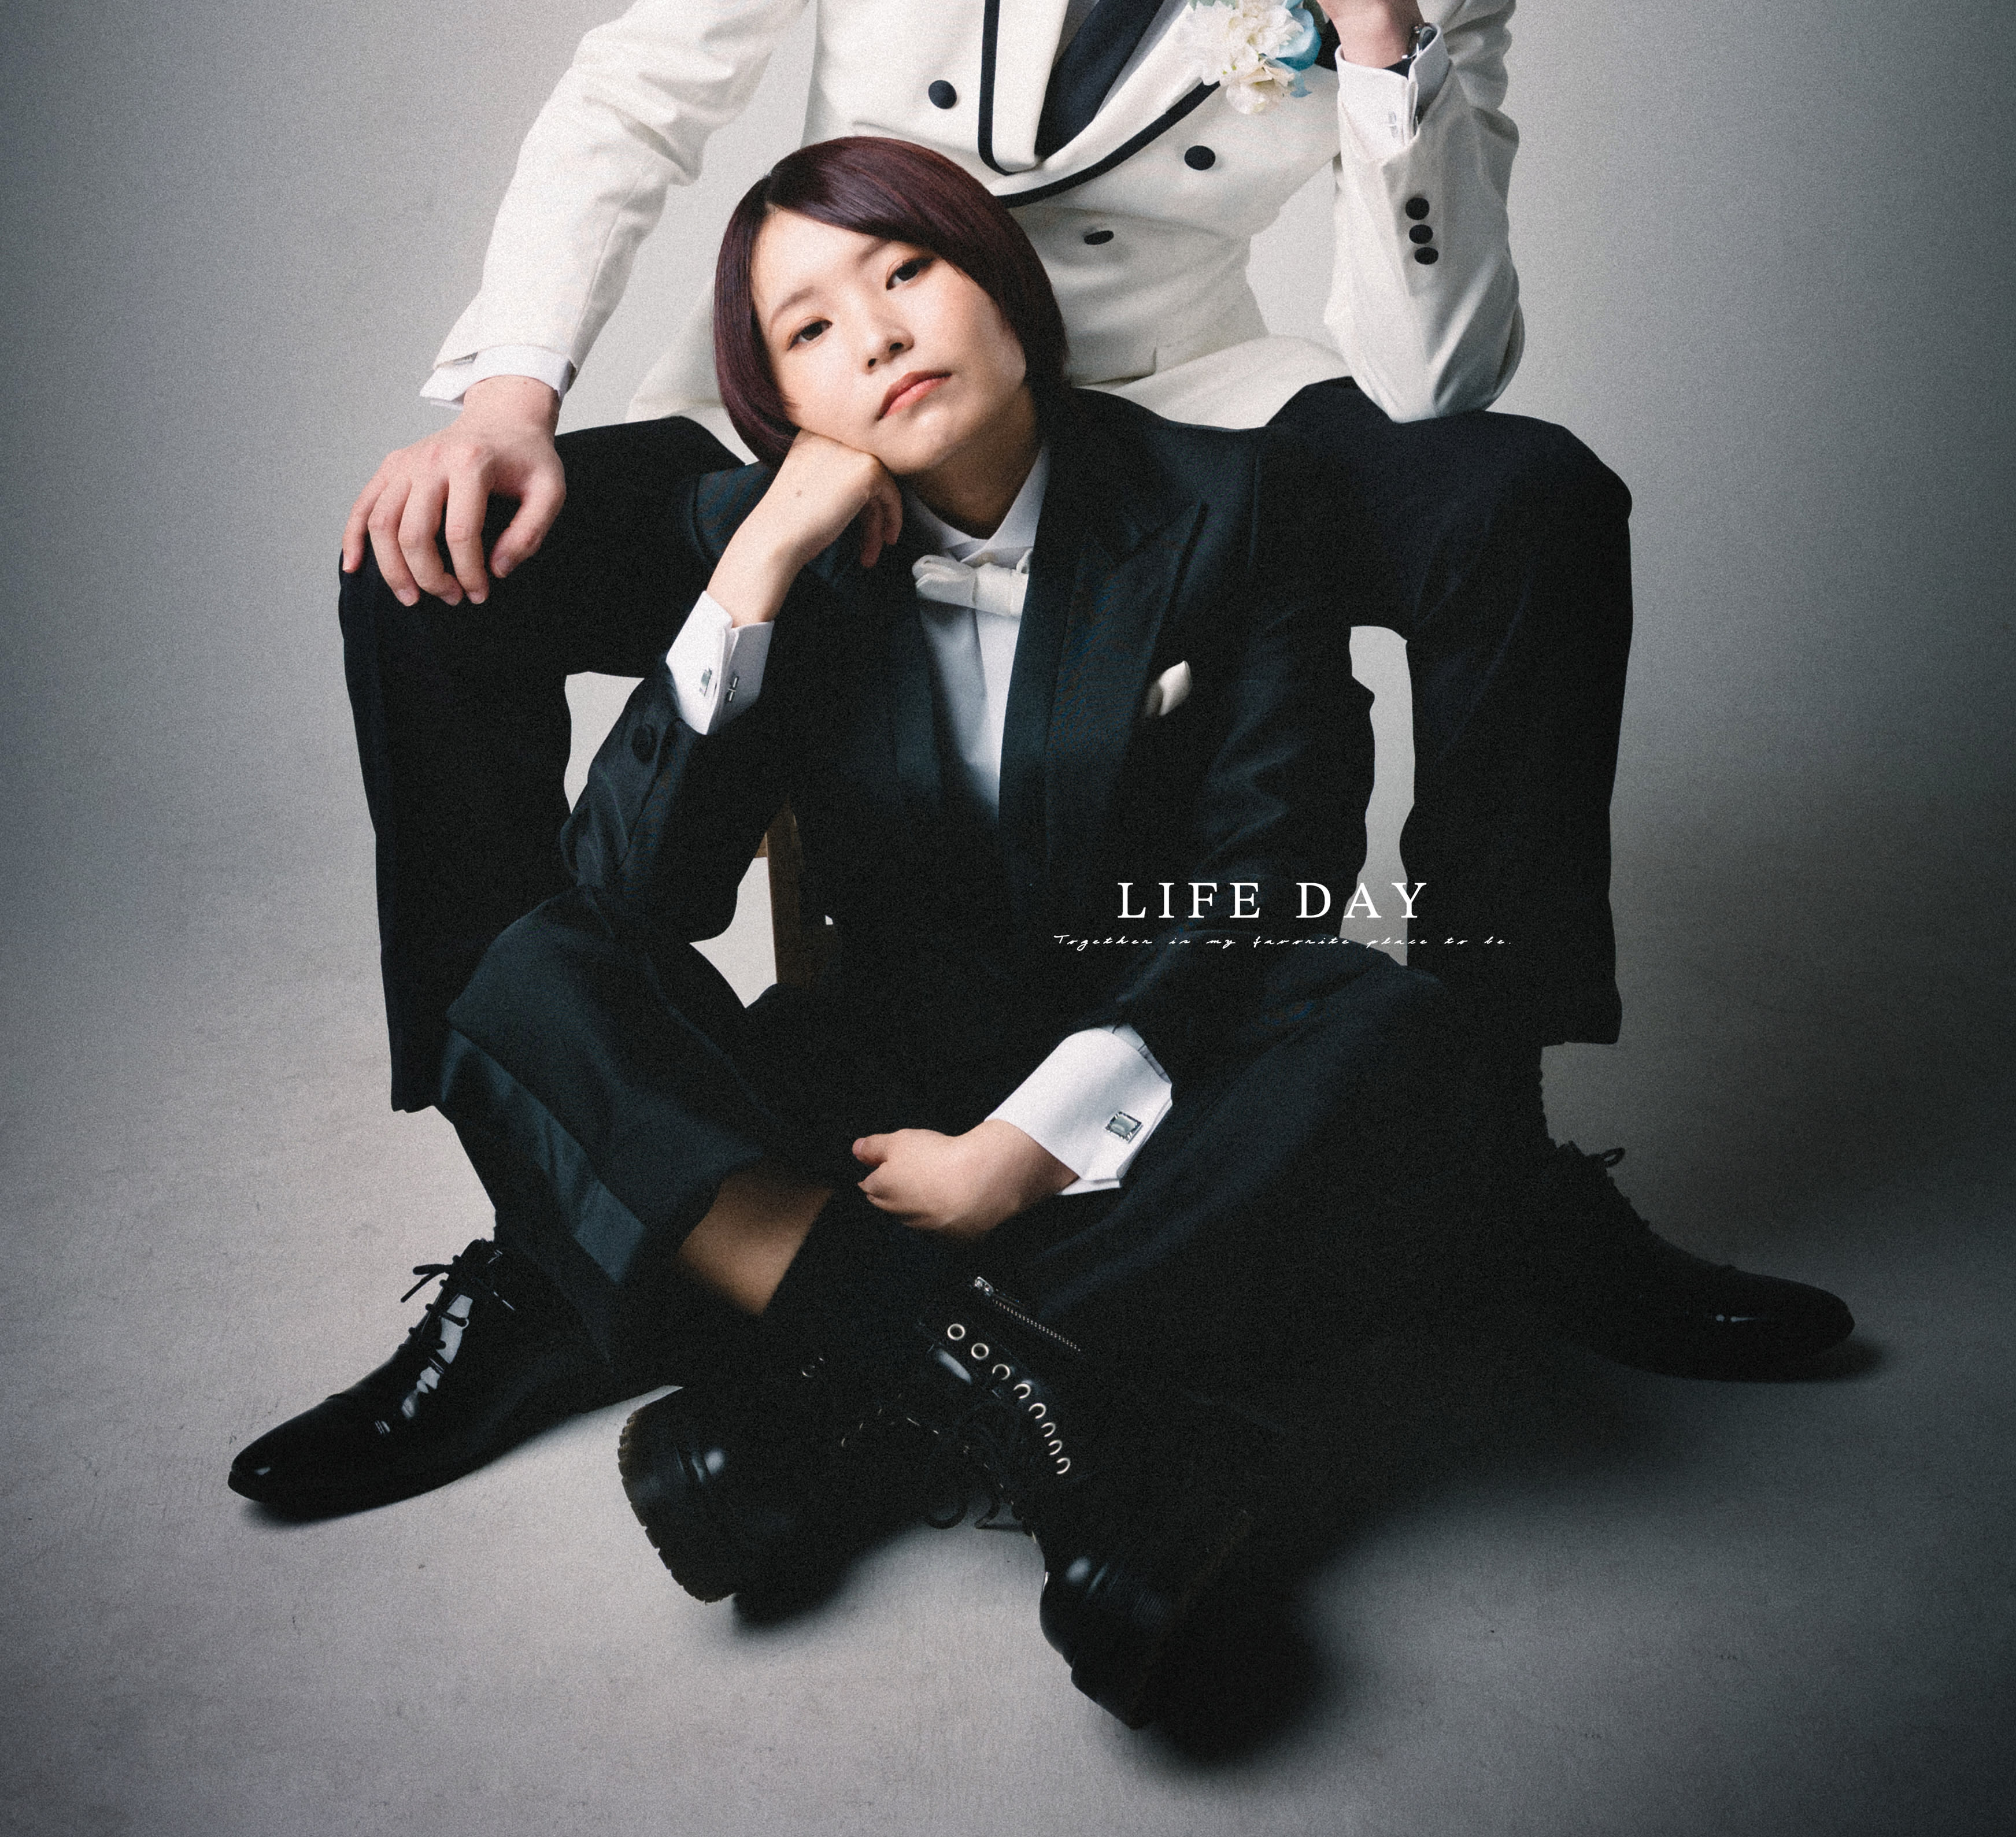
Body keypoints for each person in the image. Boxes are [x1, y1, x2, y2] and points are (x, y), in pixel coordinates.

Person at [318, 0, 1848, 1483]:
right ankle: (551, 1222)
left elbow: (1432, 378)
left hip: (1165, 404)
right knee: (430, 573)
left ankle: (1491, 1148)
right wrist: (512, 388)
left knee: (1528, 503)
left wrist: (1376, 27)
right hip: (845, 396)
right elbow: (655, 73)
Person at [243, 140, 1494, 1724]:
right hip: (885, 1081)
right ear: (778, 397)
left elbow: (1276, 871)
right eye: (811, 328)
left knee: (1408, 1039)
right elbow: (625, 899)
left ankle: (826, 1408)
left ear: (1006, 285)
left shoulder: (1230, 501)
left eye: (908, 271)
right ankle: (1066, 1423)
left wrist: (1024, 1153)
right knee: (530, 973)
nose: (880, 334)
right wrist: (757, 567)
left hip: (1153, 1078)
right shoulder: (782, 541)